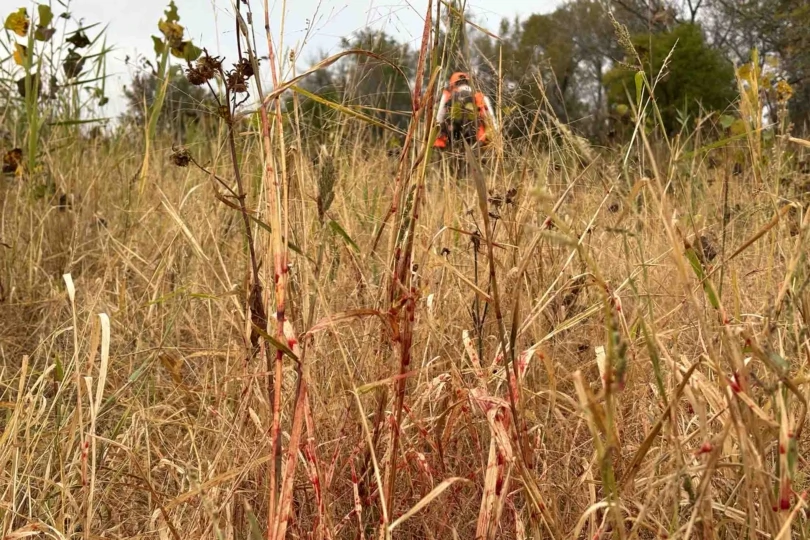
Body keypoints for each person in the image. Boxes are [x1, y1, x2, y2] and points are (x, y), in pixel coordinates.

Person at [434, 71, 498, 150]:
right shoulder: (479, 96)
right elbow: (490, 118)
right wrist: (494, 137)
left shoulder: (447, 95)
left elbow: (439, 118)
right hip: (475, 138)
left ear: (452, 83)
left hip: (452, 136)